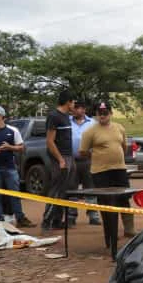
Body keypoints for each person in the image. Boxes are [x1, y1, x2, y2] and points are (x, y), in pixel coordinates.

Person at [78, 101, 135, 237]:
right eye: (100, 113)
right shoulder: (90, 131)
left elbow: (124, 146)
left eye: (105, 113)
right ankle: (110, 232)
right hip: (100, 171)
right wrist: (97, 155)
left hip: (119, 169)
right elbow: (83, 152)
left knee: (124, 198)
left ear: (110, 113)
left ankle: (129, 229)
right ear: (96, 115)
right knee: (105, 201)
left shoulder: (119, 127)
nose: (103, 116)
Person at [41, 89, 76, 233]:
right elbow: (50, 141)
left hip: (69, 156)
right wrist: (60, 159)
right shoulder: (54, 116)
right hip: (60, 158)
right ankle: (46, 221)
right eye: (73, 102)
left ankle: (57, 220)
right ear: (68, 102)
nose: (74, 105)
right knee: (56, 190)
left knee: (64, 191)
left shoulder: (66, 116)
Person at [67, 100, 102, 227]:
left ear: (84, 109)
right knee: (72, 188)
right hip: (72, 160)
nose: (77, 110)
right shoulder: (67, 121)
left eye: (80, 108)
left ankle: (93, 215)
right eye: (75, 108)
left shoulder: (92, 123)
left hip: (88, 160)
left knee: (90, 188)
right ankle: (71, 216)